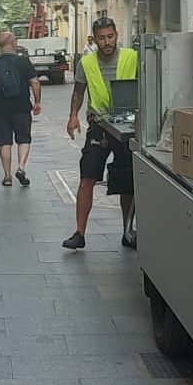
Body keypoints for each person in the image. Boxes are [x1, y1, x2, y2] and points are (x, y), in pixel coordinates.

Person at [63, 17, 138, 250]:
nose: (107, 42)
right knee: (87, 177)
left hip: (126, 127)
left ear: (117, 34)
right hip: (99, 127)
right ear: (93, 39)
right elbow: (78, 91)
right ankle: (79, 233)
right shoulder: (86, 63)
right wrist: (73, 115)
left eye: (110, 36)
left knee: (126, 182)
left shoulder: (132, 57)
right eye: (102, 38)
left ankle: (127, 231)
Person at [0, 33, 42, 187]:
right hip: (21, 107)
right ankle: (21, 167)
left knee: (4, 143)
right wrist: (37, 101)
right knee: (24, 138)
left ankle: (7, 176)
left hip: (0, 109)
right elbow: (35, 82)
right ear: (13, 43)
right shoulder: (24, 62)